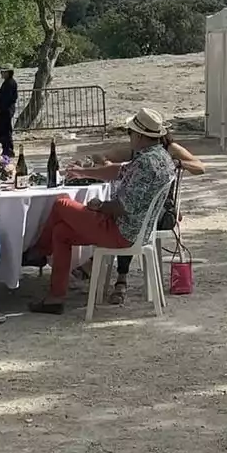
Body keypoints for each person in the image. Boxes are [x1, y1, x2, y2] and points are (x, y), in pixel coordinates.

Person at [23, 108, 177, 315]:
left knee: (61, 203)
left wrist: (98, 205)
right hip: (136, 230)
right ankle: (55, 297)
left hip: (122, 231)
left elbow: (123, 208)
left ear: (140, 135)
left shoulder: (145, 163)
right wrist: (83, 172)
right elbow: (118, 172)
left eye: (129, 132)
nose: (128, 137)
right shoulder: (159, 156)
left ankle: (39, 251)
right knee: (60, 232)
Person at [72, 133, 205, 305]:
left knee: (129, 215)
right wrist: (94, 161)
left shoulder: (170, 149)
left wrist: (178, 163)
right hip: (140, 208)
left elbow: (200, 167)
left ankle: (119, 277)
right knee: (126, 212)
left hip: (162, 211)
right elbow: (107, 156)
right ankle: (114, 274)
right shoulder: (139, 151)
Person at [0, 69, 19, 157]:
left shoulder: (11, 83)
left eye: (3, 72)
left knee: (3, 129)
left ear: (8, 73)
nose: (1, 74)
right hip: (4, 110)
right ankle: (6, 148)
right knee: (1, 128)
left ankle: (8, 149)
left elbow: (7, 99)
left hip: (6, 110)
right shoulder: (7, 82)